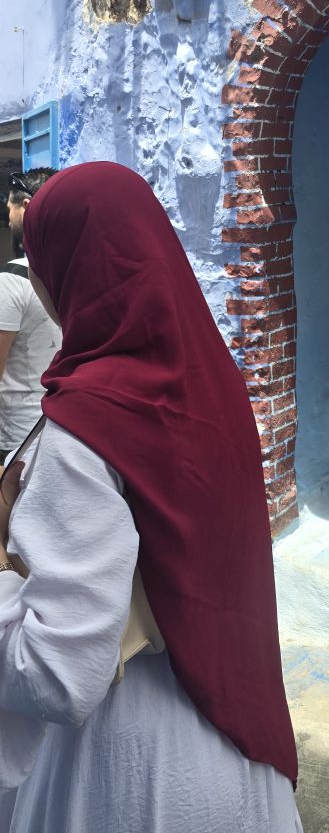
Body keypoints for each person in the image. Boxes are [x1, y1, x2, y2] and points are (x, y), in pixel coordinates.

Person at [0, 162, 302, 833]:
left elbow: (58, 673)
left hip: (128, 770)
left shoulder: (87, 424)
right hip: (233, 732)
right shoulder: (212, 385)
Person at [0, 170, 60, 463]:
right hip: (64, 428)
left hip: (16, 439)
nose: (9, 219)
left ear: (25, 207)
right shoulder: (75, 272)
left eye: (9, 210)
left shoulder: (10, 280)